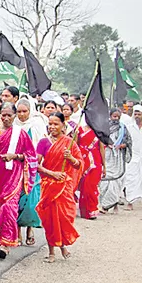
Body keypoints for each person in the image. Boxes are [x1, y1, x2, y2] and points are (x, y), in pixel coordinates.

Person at [0, 102, 38, 258]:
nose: (5, 118)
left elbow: (31, 156)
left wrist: (15, 156)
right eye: (3, 115)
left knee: (9, 207)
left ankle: (6, 243)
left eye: (9, 115)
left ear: (14, 116)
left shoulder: (20, 133)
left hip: (14, 176)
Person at [36, 112, 83, 263]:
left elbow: (79, 164)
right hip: (49, 185)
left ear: (63, 125)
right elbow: (36, 165)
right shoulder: (43, 142)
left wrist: (70, 158)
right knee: (50, 219)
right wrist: (51, 174)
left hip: (64, 186)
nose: (52, 127)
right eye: (50, 124)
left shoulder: (69, 143)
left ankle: (62, 246)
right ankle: (51, 252)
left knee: (64, 217)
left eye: (56, 124)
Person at [12, 97, 47, 246]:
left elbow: (42, 145)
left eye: (24, 111)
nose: (21, 115)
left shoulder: (37, 124)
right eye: (19, 111)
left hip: (33, 168)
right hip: (16, 167)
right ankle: (18, 232)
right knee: (17, 200)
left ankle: (30, 230)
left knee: (31, 200)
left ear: (30, 111)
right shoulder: (14, 124)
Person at [99, 108, 132, 213]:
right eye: (114, 116)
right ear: (110, 116)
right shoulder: (104, 128)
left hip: (117, 157)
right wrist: (106, 144)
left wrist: (122, 145)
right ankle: (104, 204)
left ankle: (112, 204)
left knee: (116, 181)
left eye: (118, 117)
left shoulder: (123, 128)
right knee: (105, 180)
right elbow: (99, 140)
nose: (116, 119)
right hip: (107, 155)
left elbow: (129, 141)